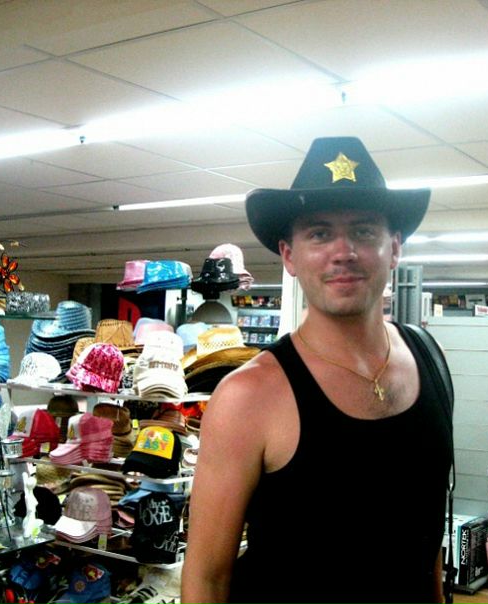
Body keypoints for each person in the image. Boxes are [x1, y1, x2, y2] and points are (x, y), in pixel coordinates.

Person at [182, 137, 453, 604]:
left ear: (394, 248)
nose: (343, 251)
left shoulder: (430, 357)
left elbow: (425, 539)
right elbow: (206, 578)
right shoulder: (248, 396)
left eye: (363, 231)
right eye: (320, 233)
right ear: (289, 256)